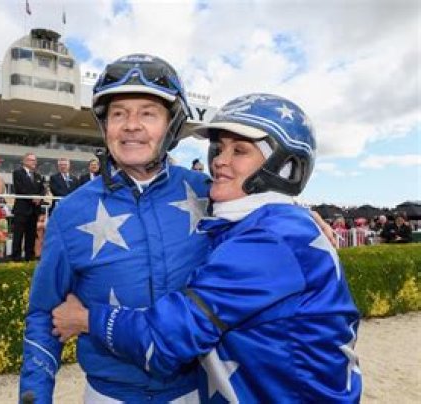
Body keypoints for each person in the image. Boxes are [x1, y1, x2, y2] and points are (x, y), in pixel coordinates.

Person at [51, 94, 362, 403]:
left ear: (285, 167)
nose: (219, 161)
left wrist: (85, 319)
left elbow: (166, 339)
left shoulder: (268, 241)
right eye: (219, 148)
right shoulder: (276, 226)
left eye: (239, 150)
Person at [20, 54, 211, 403]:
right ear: (105, 125)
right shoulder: (70, 211)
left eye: (147, 113)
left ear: (172, 125)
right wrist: (34, 396)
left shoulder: (209, 193)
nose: (131, 125)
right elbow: (44, 314)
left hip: (199, 391)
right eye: (119, 113)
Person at [11, 152, 45, 262]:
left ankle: (29, 257)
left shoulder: (38, 176)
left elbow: (42, 190)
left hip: (34, 210)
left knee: (31, 235)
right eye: (31, 160)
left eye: (35, 160)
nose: (34, 162)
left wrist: (39, 198)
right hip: (22, 209)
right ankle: (15, 258)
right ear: (25, 161)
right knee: (18, 235)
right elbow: (19, 189)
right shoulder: (17, 173)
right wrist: (32, 197)